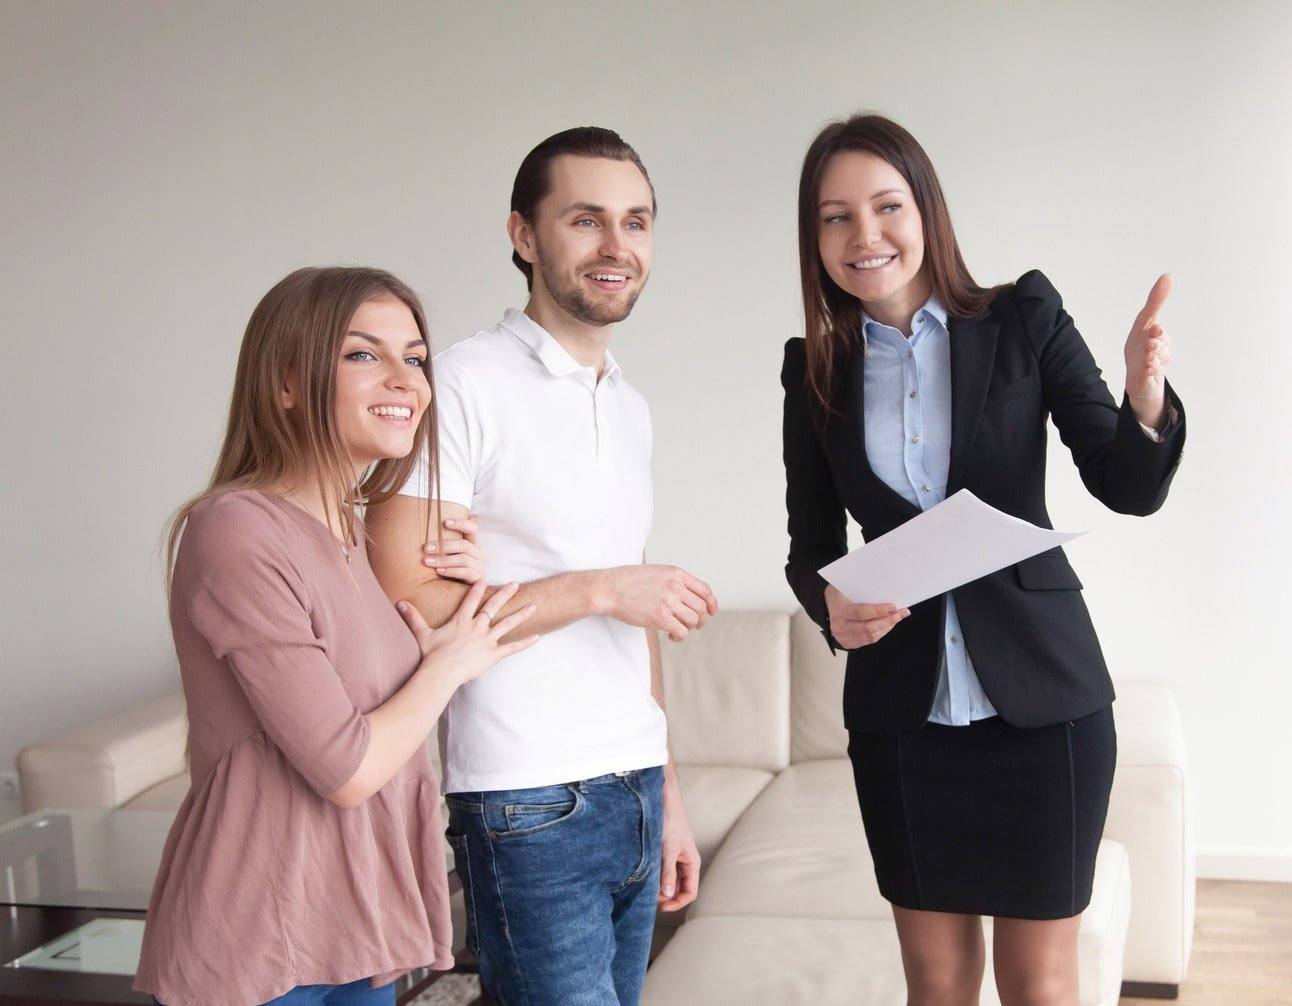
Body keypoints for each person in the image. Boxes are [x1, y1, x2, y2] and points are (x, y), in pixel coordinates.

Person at [782, 114, 1185, 1006]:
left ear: (927, 209)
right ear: (814, 238)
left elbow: (1127, 483)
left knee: (1039, 985)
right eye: (834, 217)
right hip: (902, 717)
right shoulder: (812, 368)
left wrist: (1144, 398)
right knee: (937, 983)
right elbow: (811, 547)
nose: (865, 235)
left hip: (1046, 706)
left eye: (887, 206)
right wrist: (830, 605)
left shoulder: (1022, 317)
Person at [366, 127, 717, 1006]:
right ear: (524, 235)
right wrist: (601, 587)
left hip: (633, 784)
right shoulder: (458, 385)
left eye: (636, 223)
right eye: (586, 220)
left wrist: (667, 791)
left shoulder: (629, 405)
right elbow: (404, 593)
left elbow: (639, 625)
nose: (616, 247)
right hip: (526, 799)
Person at [134, 266, 537, 1006]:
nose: (404, 380)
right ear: (286, 383)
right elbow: (347, 768)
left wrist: (462, 591)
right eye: (362, 355)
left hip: (349, 933)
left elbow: (425, 679)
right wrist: (446, 665)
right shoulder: (235, 531)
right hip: (256, 938)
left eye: (414, 358)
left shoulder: (354, 533)